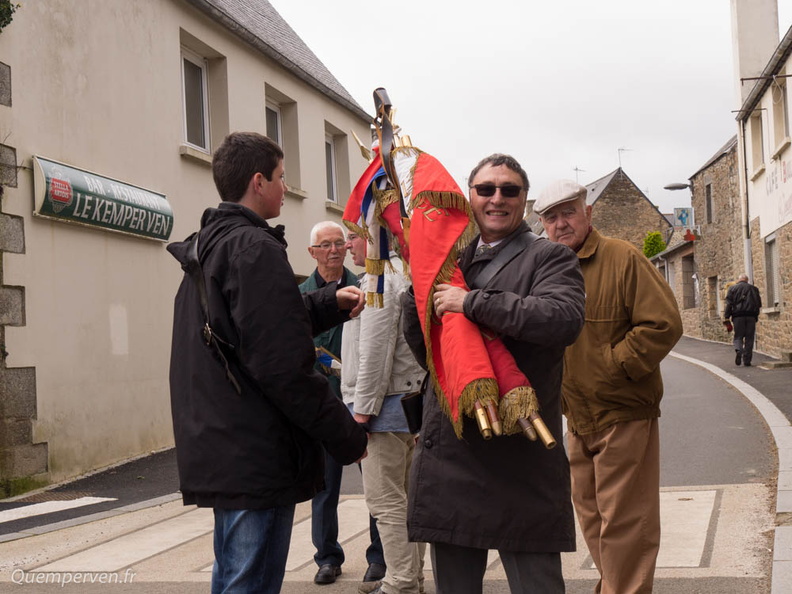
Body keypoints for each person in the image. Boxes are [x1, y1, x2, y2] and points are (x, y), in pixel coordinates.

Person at [167, 132, 368, 594]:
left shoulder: (213, 243)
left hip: (226, 444)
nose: (285, 187)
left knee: (233, 577)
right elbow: (283, 365)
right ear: (258, 182)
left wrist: (326, 304)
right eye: (281, 177)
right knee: (250, 583)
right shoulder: (255, 249)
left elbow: (250, 328)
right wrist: (346, 436)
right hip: (255, 449)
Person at [403, 154, 586, 594]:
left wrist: (472, 303)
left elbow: (562, 319)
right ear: (470, 198)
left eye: (509, 190)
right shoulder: (448, 263)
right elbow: (429, 349)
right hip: (453, 455)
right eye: (486, 189)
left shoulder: (551, 257)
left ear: (525, 199)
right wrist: (418, 293)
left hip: (519, 456)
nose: (497, 198)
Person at [535, 179, 683, 594]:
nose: (561, 223)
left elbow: (663, 324)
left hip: (623, 410)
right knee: (592, 515)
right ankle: (617, 586)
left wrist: (615, 367)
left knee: (626, 521)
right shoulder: (545, 269)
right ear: (542, 224)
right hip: (575, 416)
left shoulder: (622, 257)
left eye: (568, 212)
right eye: (551, 217)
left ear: (588, 213)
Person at [299, 221, 386, 586]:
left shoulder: (365, 287)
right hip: (321, 406)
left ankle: (379, 557)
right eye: (326, 244)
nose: (335, 249)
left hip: (361, 403)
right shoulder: (297, 296)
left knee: (378, 488)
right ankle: (328, 557)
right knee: (324, 488)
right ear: (312, 252)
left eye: (340, 242)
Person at [341, 229, 426, 594]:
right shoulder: (405, 273)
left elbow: (375, 352)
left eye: (353, 236)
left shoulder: (380, 278)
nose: (348, 245)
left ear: (375, 237)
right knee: (404, 499)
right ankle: (411, 579)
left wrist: (362, 413)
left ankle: (401, 584)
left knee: (385, 501)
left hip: (383, 409)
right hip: (404, 405)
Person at [724, 274, 762, 366]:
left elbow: (729, 304)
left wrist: (727, 316)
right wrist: (755, 316)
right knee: (749, 338)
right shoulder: (754, 289)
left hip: (738, 317)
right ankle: (747, 360)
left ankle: (739, 350)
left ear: (739, 280)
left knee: (738, 336)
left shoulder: (732, 289)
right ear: (747, 280)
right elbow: (758, 304)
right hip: (751, 317)